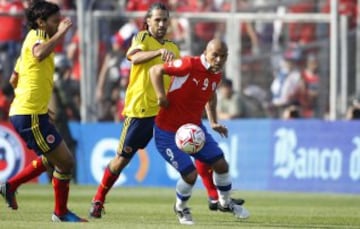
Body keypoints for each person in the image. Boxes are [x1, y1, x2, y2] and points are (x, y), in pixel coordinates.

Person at [89, 2, 236, 219]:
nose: (161, 24)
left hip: (167, 113)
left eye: (165, 20)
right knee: (121, 160)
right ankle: (99, 199)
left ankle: (214, 196)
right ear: (147, 22)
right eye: (156, 19)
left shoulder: (174, 48)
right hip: (141, 111)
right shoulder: (142, 39)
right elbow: (134, 57)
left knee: (199, 146)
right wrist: (158, 52)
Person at [0, 1, 87, 222]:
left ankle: (10, 186)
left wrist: (37, 104)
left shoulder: (31, 41)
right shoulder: (37, 37)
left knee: (52, 159)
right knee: (65, 162)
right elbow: (38, 54)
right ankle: (60, 212)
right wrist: (61, 33)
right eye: (55, 22)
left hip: (32, 112)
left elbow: (14, 78)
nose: (59, 24)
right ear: (41, 22)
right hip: (29, 114)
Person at [149, 38, 250, 225]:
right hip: (167, 132)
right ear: (206, 52)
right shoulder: (189, 64)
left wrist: (213, 122)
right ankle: (180, 208)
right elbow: (155, 70)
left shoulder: (216, 75)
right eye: (215, 55)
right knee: (190, 175)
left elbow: (210, 96)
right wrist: (161, 96)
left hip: (194, 129)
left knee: (221, 165)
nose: (219, 60)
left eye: (223, 56)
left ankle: (224, 203)